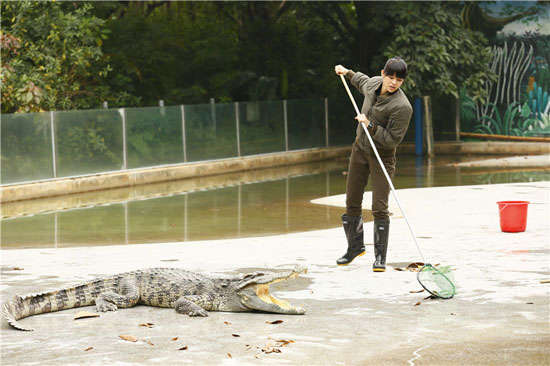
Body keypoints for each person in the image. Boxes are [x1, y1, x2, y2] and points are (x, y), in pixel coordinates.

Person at [334, 57, 412, 272]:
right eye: (390, 76)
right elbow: (361, 80)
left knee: (379, 207)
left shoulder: (402, 107)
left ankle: (380, 258)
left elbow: (392, 140)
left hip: (382, 157)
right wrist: (346, 71)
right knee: (352, 201)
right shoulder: (373, 84)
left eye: (399, 79)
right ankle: (354, 247)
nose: (393, 82)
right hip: (360, 149)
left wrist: (371, 125)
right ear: (383, 73)